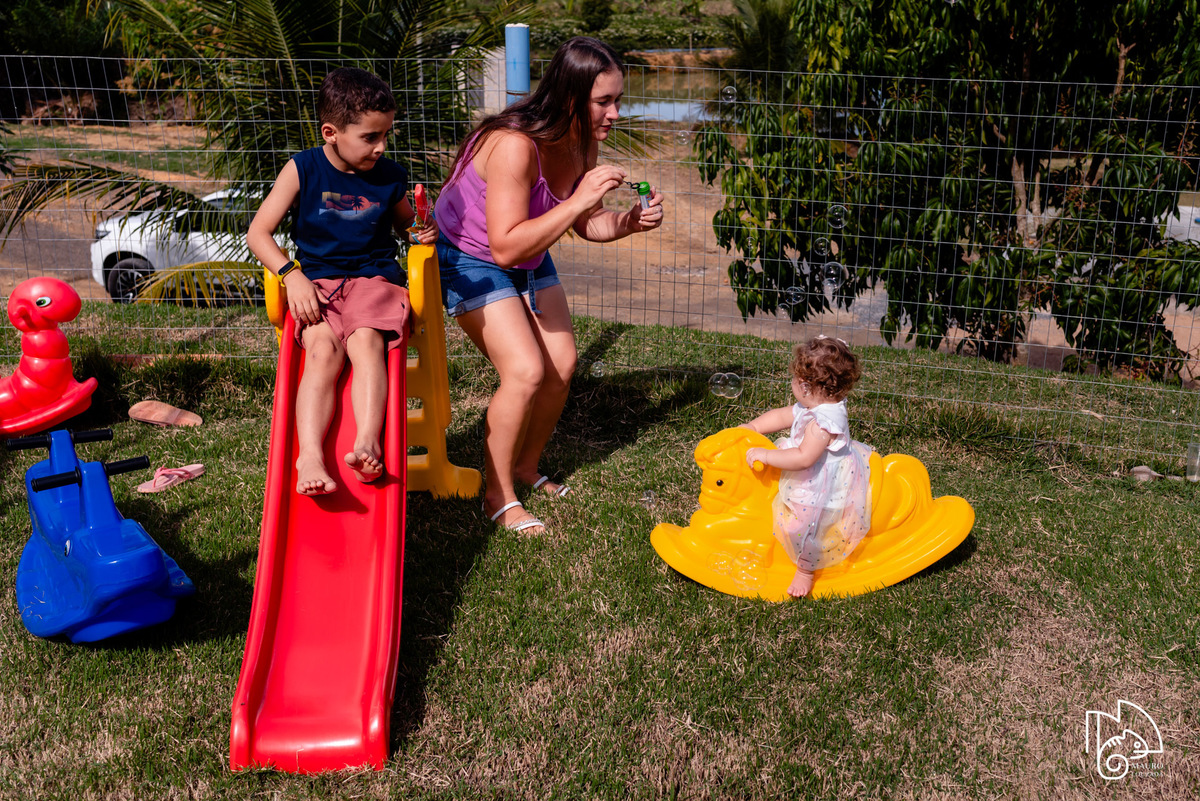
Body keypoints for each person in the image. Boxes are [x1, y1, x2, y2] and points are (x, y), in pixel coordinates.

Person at [434, 36, 665, 535]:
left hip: (525, 249)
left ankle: (524, 467)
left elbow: (588, 224)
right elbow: (505, 250)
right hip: (471, 258)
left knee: (561, 365)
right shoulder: (515, 146)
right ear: (569, 100)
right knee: (525, 371)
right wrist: (579, 200)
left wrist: (628, 222)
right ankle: (497, 493)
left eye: (617, 100)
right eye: (604, 101)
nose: (616, 113)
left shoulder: (583, 140)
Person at [248, 66, 438, 495]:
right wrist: (291, 276)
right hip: (317, 284)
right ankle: (310, 454)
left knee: (368, 342)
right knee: (320, 352)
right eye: (370, 137)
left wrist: (423, 230)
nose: (381, 146)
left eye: (385, 134)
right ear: (331, 132)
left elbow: (409, 227)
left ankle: (368, 441)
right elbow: (258, 234)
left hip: (374, 279)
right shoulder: (303, 169)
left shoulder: (389, 176)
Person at [740, 336, 873, 597]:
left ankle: (805, 569)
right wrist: (753, 427)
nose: (791, 384)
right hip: (806, 464)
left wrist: (766, 455)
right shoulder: (812, 404)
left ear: (805, 386)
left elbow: (803, 458)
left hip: (820, 479)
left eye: (794, 379)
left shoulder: (823, 422)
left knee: (807, 522)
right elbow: (782, 415)